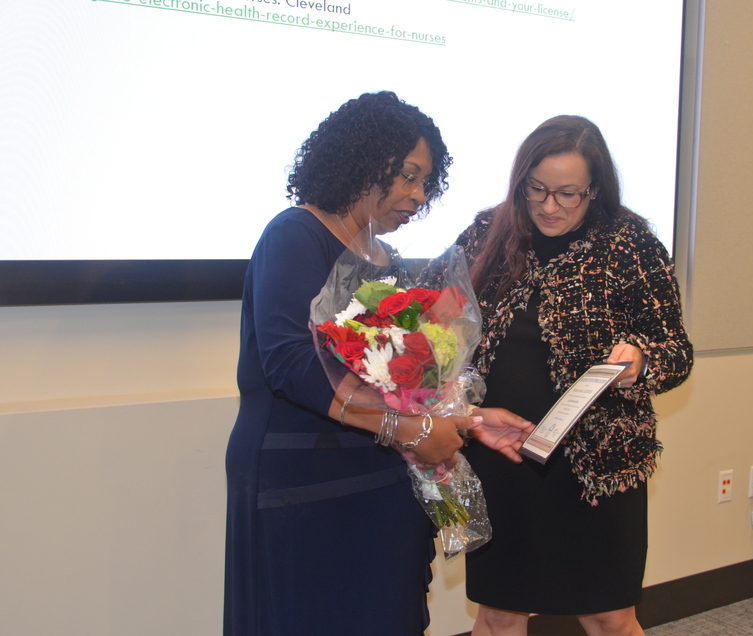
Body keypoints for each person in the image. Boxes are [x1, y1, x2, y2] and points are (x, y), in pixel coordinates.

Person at [223, 91, 533, 636]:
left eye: (426, 183)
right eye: (408, 177)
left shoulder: (388, 261)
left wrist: (467, 419)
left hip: (382, 485)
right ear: (363, 163)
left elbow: (409, 382)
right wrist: (407, 430)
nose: (418, 196)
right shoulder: (295, 234)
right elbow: (291, 364)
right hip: (301, 481)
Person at [450, 116, 694, 635]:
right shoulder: (485, 234)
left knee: (609, 617)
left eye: (567, 194)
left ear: (595, 189)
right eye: (536, 189)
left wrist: (641, 361)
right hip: (502, 456)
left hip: (597, 467)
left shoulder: (630, 245)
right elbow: (442, 330)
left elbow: (676, 351)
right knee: (498, 613)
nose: (548, 206)